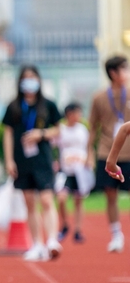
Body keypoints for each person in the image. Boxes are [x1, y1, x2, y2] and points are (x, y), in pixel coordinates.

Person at [2, 65, 62, 262]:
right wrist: (9, 160)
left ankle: (52, 240)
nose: (29, 82)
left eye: (33, 78)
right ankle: (36, 244)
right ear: (20, 82)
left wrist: (41, 134)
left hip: (42, 159)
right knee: (30, 203)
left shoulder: (48, 105)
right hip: (22, 161)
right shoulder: (14, 107)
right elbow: (8, 134)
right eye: (25, 78)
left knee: (46, 200)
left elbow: (58, 130)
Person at [88, 55, 130, 253]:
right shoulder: (99, 97)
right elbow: (92, 127)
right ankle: (116, 235)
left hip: (129, 152)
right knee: (110, 195)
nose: (127, 73)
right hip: (107, 150)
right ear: (113, 73)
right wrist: (89, 153)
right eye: (124, 69)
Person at [55, 102, 90, 243]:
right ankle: (64, 224)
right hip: (65, 170)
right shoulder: (61, 129)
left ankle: (78, 230)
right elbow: (53, 146)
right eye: (77, 113)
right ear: (69, 114)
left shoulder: (83, 130)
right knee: (61, 198)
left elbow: (88, 147)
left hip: (80, 170)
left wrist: (88, 161)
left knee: (78, 200)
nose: (79, 116)